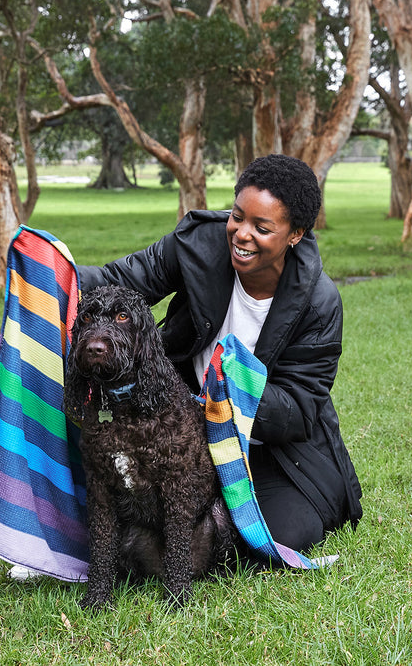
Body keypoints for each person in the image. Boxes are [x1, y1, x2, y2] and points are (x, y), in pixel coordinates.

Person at [76, 154, 362, 554]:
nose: (241, 234)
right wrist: (51, 269)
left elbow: (299, 408)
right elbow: (119, 281)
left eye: (261, 228)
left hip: (268, 450)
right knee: (96, 464)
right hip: (182, 428)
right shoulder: (197, 244)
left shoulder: (319, 303)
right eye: (238, 216)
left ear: (294, 234)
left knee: (281, 535)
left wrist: (236, 382)